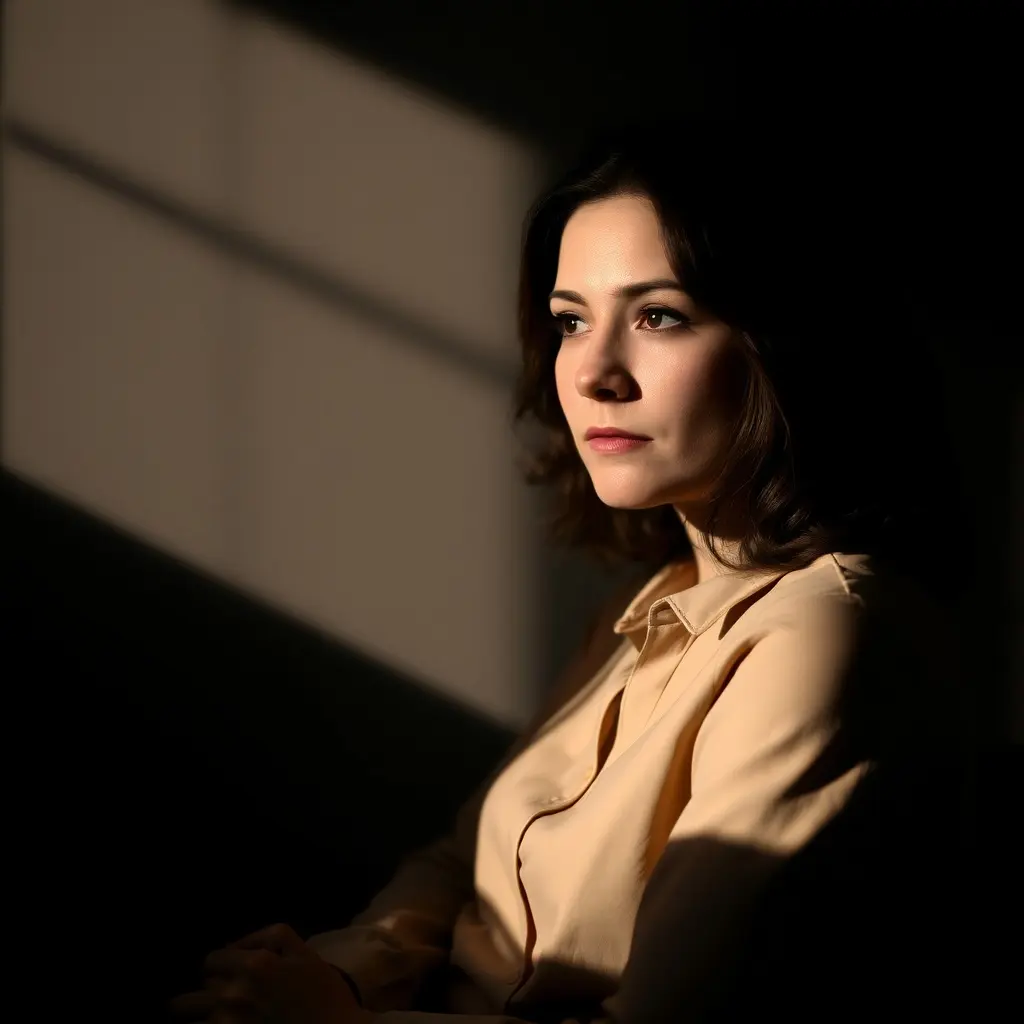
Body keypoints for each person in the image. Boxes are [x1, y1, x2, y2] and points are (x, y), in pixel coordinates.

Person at [170, 114, 971, 1023]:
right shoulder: (658, 604)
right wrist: (342, 974)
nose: (592, 372)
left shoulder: (823, 633)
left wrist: (334, 1023)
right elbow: (458, 861)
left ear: (784, 341)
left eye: (658, 316)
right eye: (569, 321)